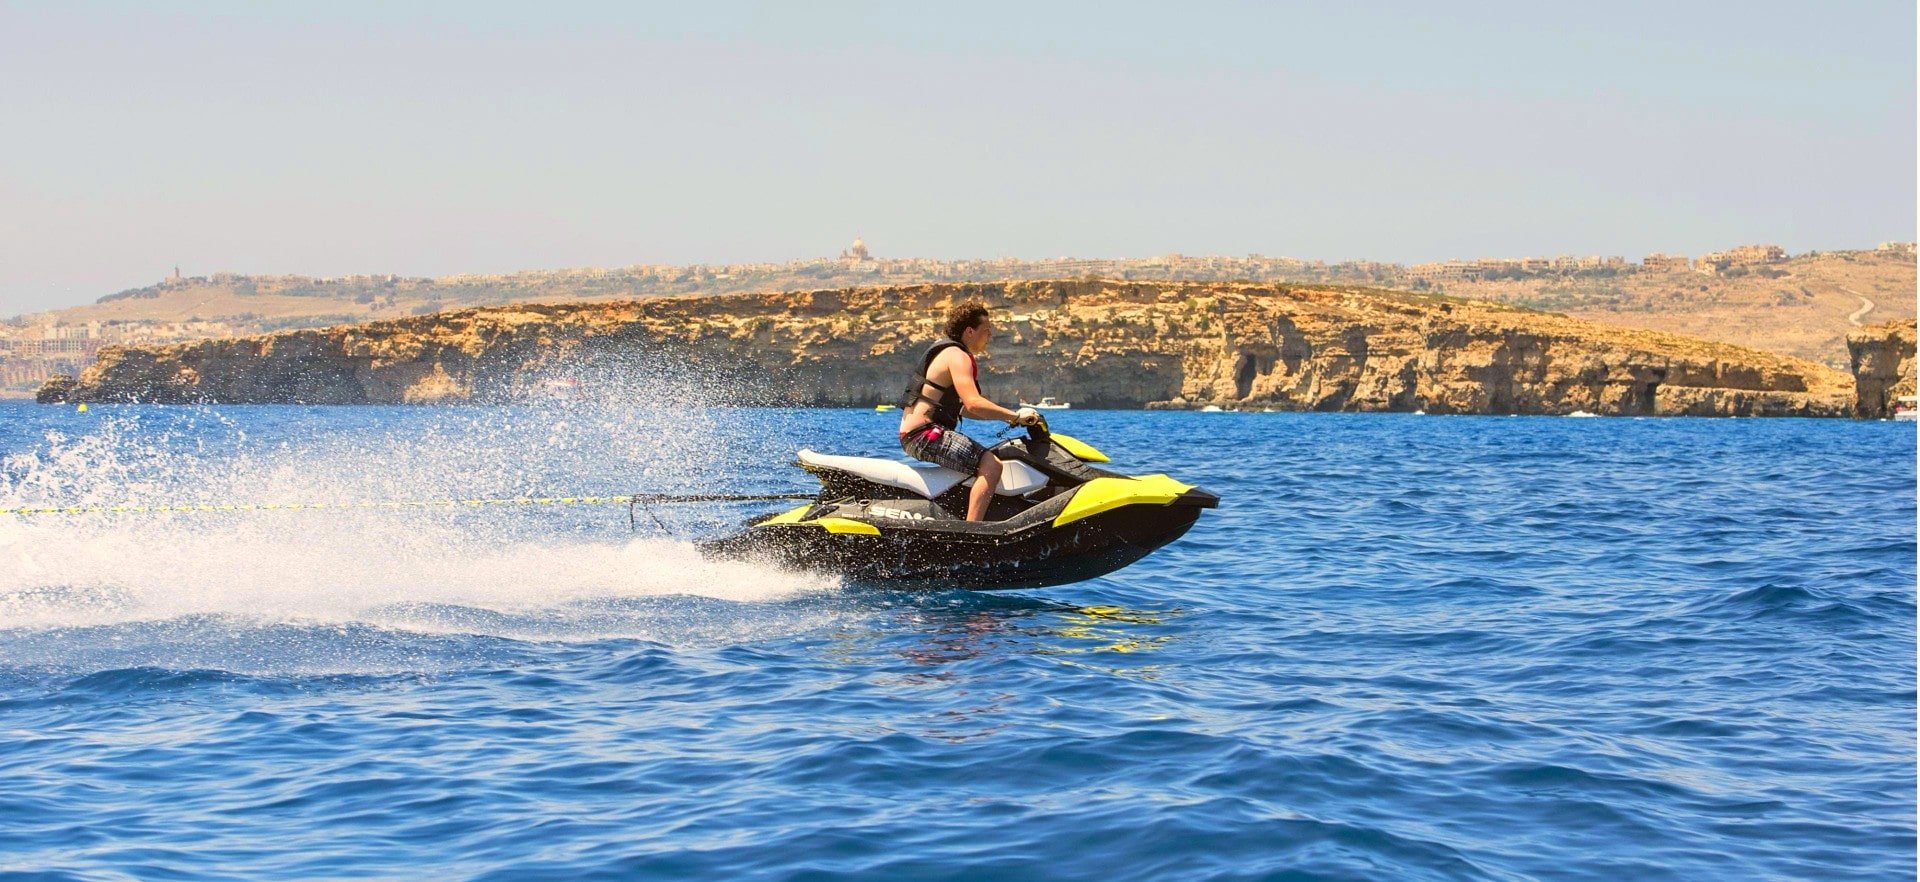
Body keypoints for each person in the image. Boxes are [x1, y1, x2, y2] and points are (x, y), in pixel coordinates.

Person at [899, 301, 1042, 521]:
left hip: (918, 434)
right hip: (924, 434)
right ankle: (973, 531)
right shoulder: (957, 355)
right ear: (969, 331)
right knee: (991, 466)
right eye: (986, 330)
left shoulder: (948, 351)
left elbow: (966, 409)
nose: (990, 335)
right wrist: (1015, 415)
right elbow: (974, 403)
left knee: (987, 458)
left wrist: (1010, 419)